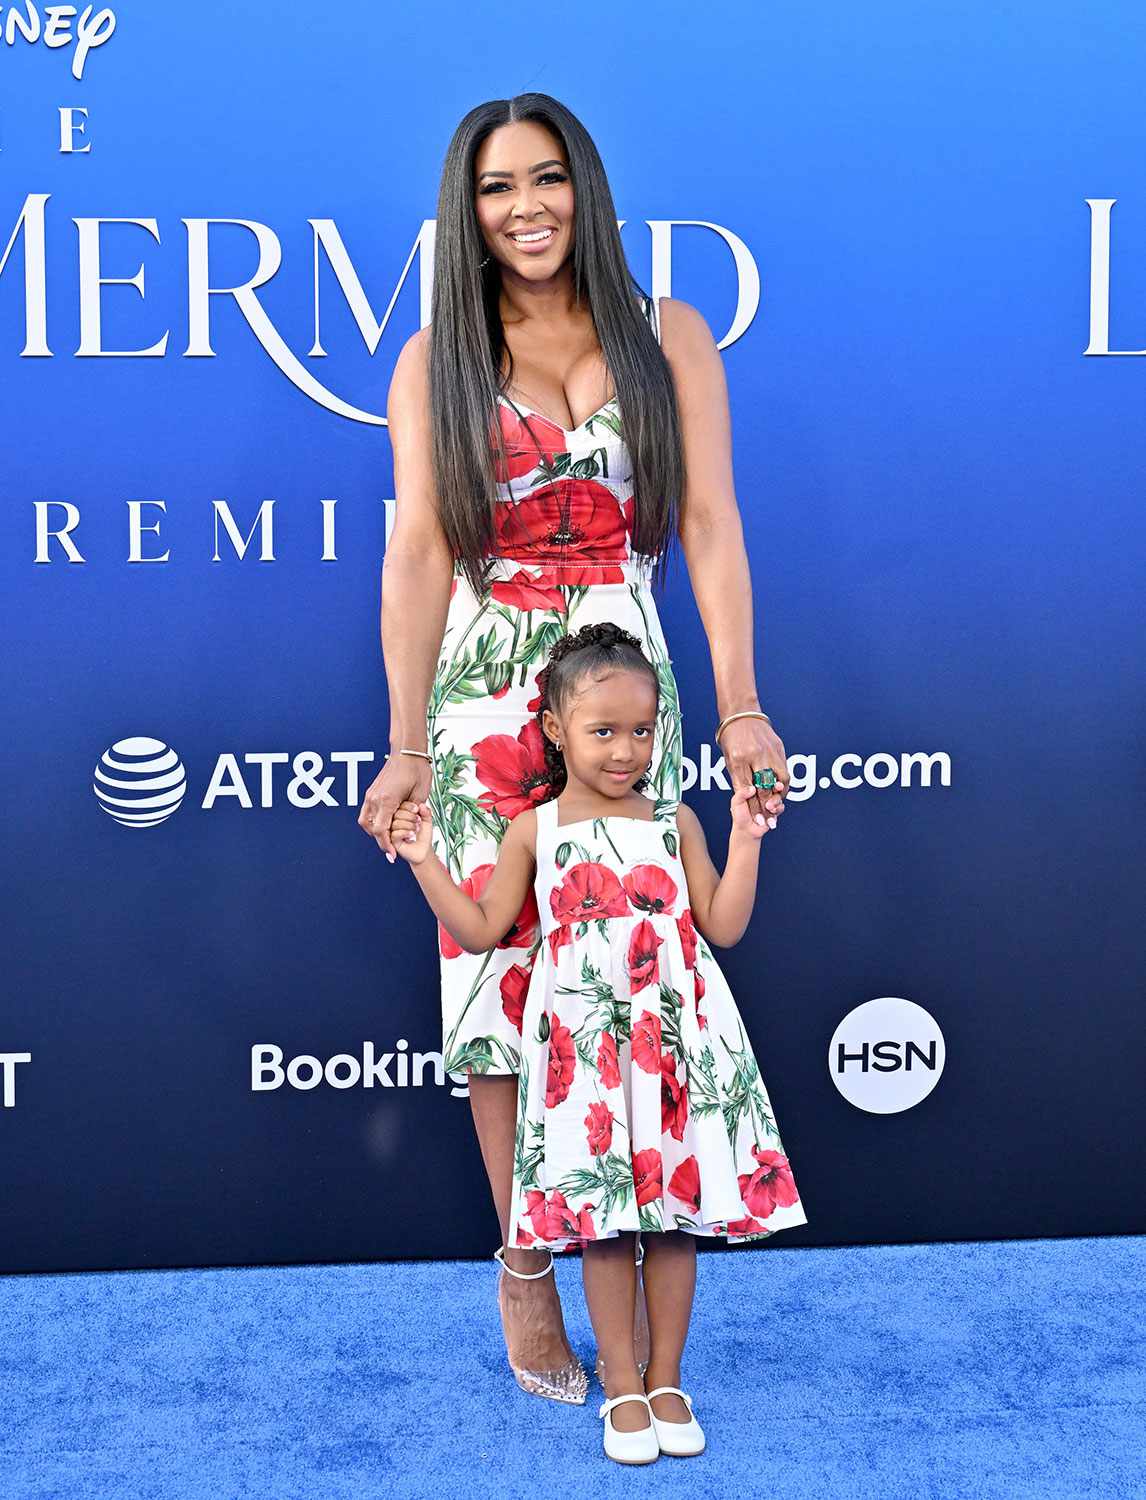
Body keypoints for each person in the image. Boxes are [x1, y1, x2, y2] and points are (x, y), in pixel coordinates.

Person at [357, 92, 790, 1405]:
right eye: (495, 189)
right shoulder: (437, 356)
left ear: (585, 188)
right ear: (465, 210)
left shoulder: (671, 334)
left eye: (546, 180)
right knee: (502, 997)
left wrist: (738, 704)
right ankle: (524, 1262)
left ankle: (618, 1244)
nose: (524, 208)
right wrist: (405, 743)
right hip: (486, 701)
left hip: (623, 689)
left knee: (614, 990)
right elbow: (421, 551)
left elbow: (707, 525)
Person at [381, 623, 807, 1464]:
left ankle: (668, 1380)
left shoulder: (675, 819)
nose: (625, 751)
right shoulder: (533, 832)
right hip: (586, 1055)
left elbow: (722, 923)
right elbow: (479, 932)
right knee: (606, 1225)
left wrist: (747, 839)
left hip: (675, 1045)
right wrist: (427, 861)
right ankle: (621, 1388)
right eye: (602, 731)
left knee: (675, 1223)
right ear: (553, 729)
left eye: (642, 731)